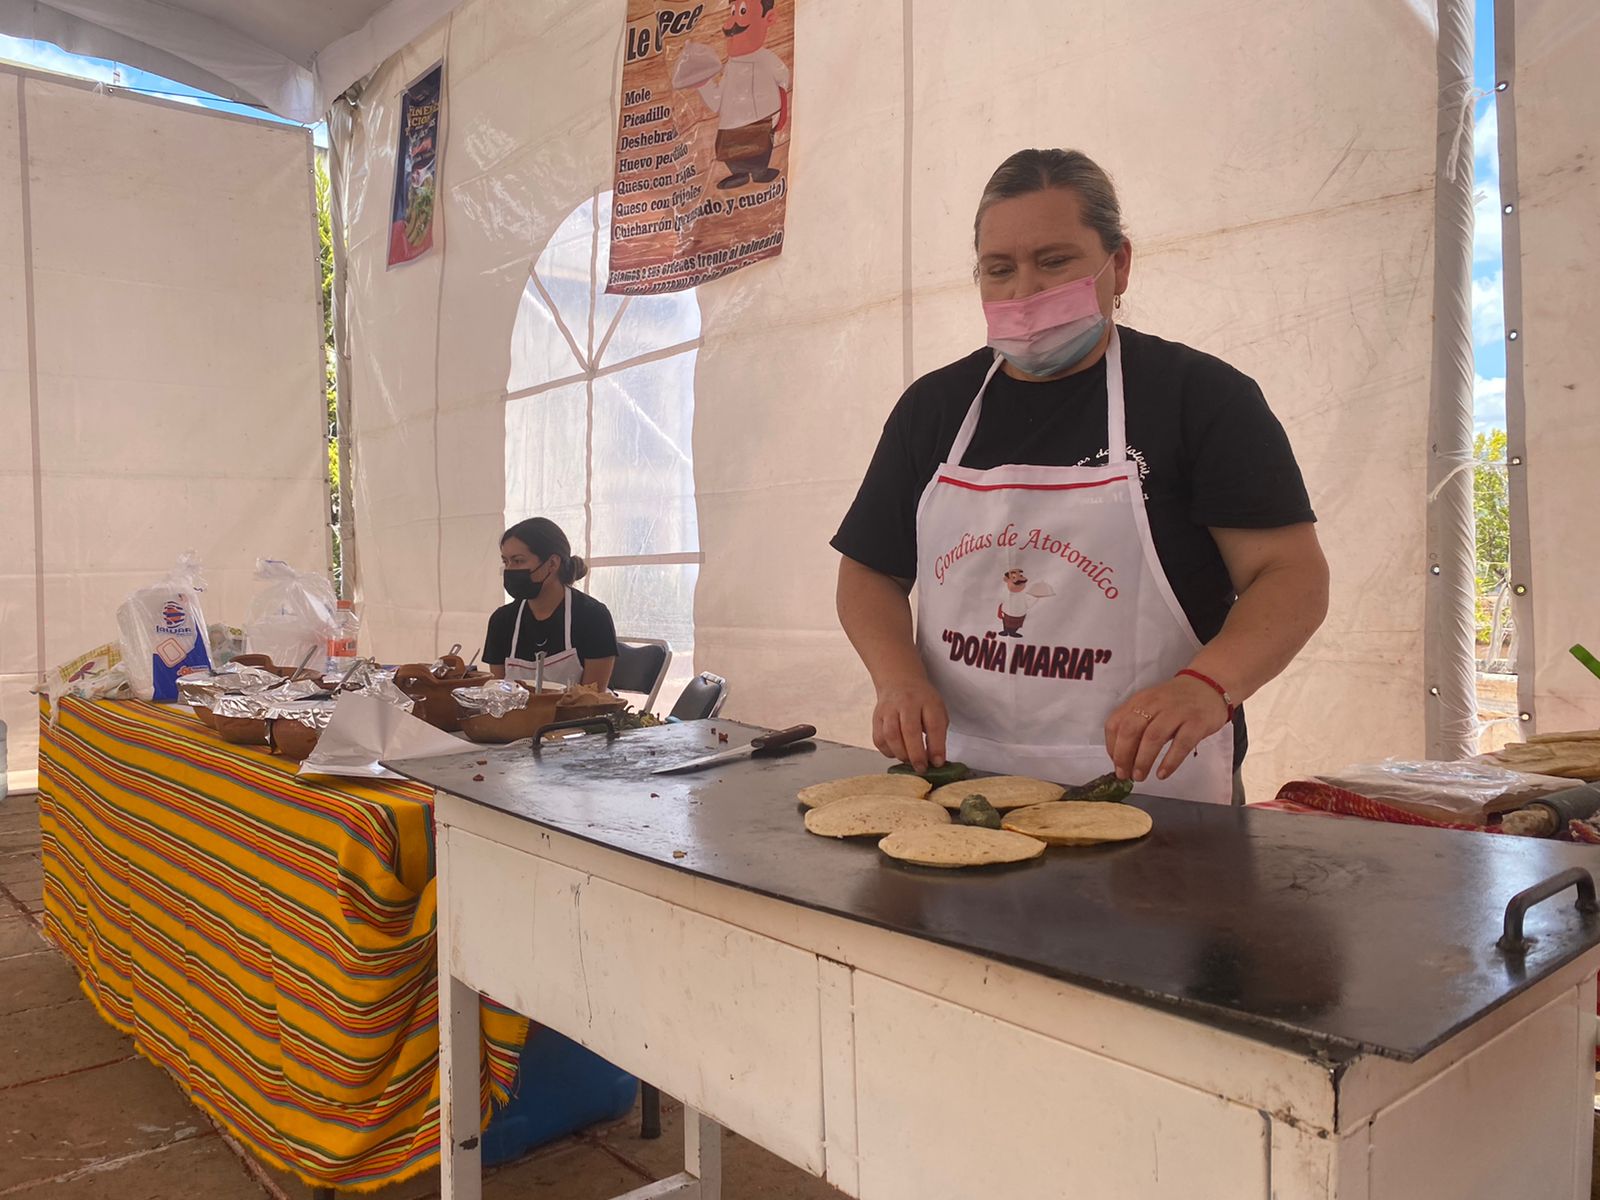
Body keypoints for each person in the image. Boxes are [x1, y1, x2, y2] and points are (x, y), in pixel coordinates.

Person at [832, 149, 1329, 805]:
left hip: (1151, 789)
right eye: (999, 269)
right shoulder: (936, 408)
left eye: (1055, 261)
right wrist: (898, 678)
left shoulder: (1201, 398)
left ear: (1117, 263)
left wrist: (1208, 685)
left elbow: (1290, 574)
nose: (1025, 290)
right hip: (959, 782)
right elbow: (871, 572)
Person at [485, 518, 617, 689]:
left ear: (552, 564)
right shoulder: (501, 620)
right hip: (517, 715)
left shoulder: (593, 617)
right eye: (505, 561)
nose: (509, 570)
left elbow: (593, 699)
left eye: (518, 561)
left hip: (580, 715)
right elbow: (498, 694)